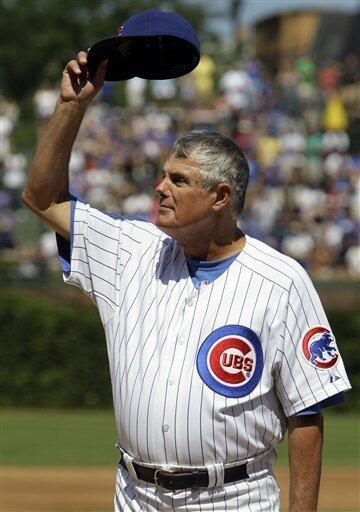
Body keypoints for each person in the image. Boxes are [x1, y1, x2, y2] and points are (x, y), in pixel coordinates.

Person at [22, 51, 351, 512]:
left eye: (179, 180)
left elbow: (306, 415)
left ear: (221, 197)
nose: (161, 188)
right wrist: (71, 107)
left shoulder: (282, 280)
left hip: (235, 497)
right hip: (137, 495)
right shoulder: (129, 248)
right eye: (163, 176)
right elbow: (41, 197)